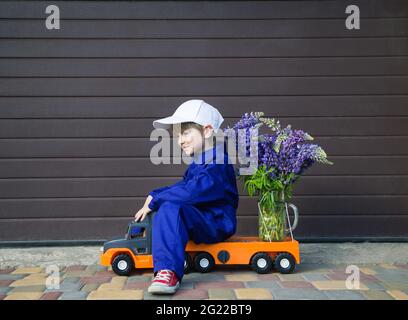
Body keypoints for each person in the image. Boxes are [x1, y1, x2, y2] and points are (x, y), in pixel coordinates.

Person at [133, 99, 239, 295]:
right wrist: (154, 194)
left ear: (207, 131)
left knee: (171, 205)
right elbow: (184, 186)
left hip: (217, 222)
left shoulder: (218, 163)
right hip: (201, 218)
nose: (180, 140)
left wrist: (158, 200)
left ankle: (168, 272)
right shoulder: (199, 163)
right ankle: (163, 256)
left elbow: (193, 191)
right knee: (169, 203)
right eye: (177, 135)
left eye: (185, 133)